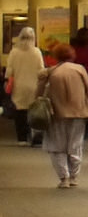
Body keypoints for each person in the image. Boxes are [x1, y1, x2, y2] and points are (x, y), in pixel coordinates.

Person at [43, 47, 88, 187]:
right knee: (75, 144)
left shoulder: (51, 72)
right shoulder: (80, 69)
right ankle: (74, 177)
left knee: (57, 146)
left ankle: (64, 178)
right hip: (78, 112)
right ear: (72, 56)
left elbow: (39, 94)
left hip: (57, 114)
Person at [6, 26, 46, 144]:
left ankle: (21, 138)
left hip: (18, 86)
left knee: (20, 112)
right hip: (34, 86)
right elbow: (41, 70)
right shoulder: (36, 52)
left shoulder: (14, 52)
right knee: (33, 112)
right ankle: (34, 136)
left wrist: (7, 82)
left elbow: (9, 71)